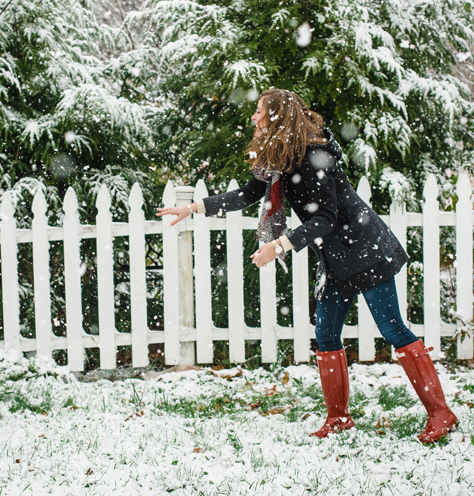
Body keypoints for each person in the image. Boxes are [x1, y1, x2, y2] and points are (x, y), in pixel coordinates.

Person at [157, 88, 457, 443]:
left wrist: (279, 245)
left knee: (393, 331)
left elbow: (326, 218)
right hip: (334, 259)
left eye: (260, 112)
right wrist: (193, 208)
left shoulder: (315, 156)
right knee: (326, 335)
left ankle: (441, 413)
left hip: (364, 249)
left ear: (277, 118)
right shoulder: (280, 157)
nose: (254, 117)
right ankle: (339, 418)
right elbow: (247, 194)